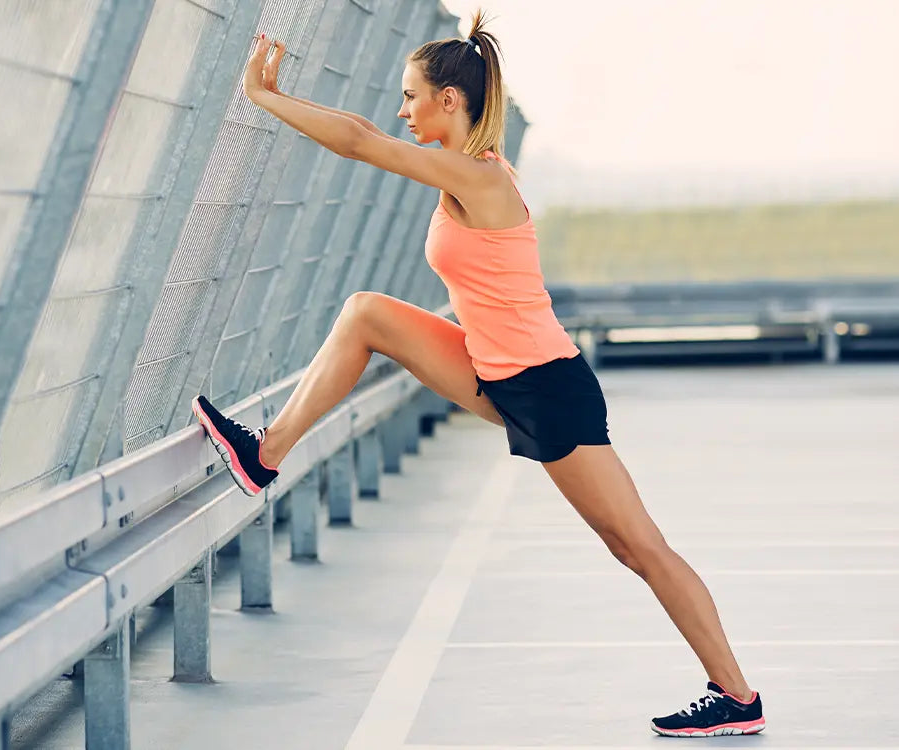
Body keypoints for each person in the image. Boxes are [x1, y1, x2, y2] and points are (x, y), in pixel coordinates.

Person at [190, 11, 765, 738]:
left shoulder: (477, 178)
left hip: (548, 388)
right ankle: (262, 455)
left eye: (410, 96)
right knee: (366, 312)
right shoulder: (466, 173)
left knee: (637, 547)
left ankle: (738, 696)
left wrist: (265, 97)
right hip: (495, 370)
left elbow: (361, 143)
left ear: (449, 101)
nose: (402, 110)